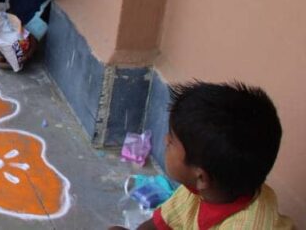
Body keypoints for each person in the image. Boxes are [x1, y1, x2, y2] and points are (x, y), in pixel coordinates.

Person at [110, 82, 293, 230]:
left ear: (201, 177)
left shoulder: (245, 225)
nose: (166, 140)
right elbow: (160, 224)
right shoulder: (201, 192)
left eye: (172, 141)